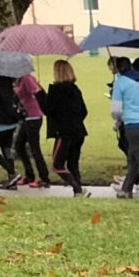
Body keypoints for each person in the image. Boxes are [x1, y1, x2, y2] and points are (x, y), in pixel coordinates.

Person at [111, 56, 139, 198]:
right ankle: (126, 189)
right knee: (133, 158)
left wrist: (117, 121)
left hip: (132, 125)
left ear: (118, 68)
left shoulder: (120, 82)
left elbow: (116, 110)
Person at [43, 59, 88, 194]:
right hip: (79, 131)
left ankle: (77, 188)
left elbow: (48, 110)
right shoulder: (75, 89)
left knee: (57, 164)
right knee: (73, 163)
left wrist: (40, 95)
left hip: (64, 132)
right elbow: (84, 111)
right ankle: (78, 190)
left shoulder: (55, 90)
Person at [14, 66, 50, 188]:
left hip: (34, 117)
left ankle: (44, 177)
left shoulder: (27, 78)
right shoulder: (18, 80)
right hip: (26, 117)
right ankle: (29, 175)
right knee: (19, 145)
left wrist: (36, 90)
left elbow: (37, 92)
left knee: (34, 148)